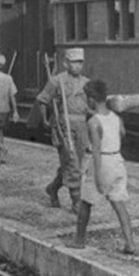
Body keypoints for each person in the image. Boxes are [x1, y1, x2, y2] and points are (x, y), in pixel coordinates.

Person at [67, 79, 135, 254]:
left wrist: (96, 176)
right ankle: (130, 243)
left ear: (90, 100)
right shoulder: (116, 118)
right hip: (118, 161)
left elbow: (96, 150)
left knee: (85, 203)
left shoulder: (93, 122)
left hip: (102, 162)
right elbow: (123, 134)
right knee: (119, 203)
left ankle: (79, 240)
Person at [37, 48, 91, 213]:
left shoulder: (86, 83)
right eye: (74, 62)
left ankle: (52, 188)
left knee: (76, 164)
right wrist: (46, 120)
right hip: (64, 126)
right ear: (65, 63)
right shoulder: (56, 81)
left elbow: (90, 107)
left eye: (80, 62)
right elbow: (42, 100)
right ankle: (76, 202)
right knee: (72, 162)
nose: (77, 66)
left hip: (82, 127)